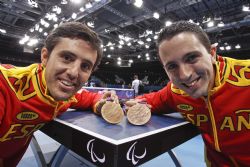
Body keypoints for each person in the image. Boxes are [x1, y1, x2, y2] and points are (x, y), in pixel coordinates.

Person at [126, 21, 250, 166]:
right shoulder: (176, 92)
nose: (184, 75)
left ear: (212, 53)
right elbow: (150, 100)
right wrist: (133, 103)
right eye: (172, 66)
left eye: (191, 58)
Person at [0, 22, 118, 167]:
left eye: (85, 66)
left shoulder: (65, 95)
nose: (74, 73)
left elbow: (89, 98)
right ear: (45, 56)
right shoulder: (5, 85)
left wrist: (102, 103)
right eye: (67, 58)